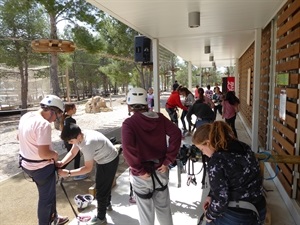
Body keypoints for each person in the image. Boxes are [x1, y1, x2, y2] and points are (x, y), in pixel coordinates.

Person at [122, 87, 182, 225]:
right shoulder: (159, 118)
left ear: (130, 106)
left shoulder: (129, 123)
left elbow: (127, 149)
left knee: (146, 214)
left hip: (142, 175)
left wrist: (139, 170)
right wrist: (168, 160)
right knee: (164, 208)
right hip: (160, 169)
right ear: (146, 103)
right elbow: (176, 133)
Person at [192, 121, 266, 225]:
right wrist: (211, 195)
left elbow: (221, 201)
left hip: (239, 215)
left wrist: (209, 215)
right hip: (259, 208)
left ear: (208, 143)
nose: (203, 153)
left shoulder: (216, 161)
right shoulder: (243, 147)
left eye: (202, 149)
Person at [18, 95, 68, 225]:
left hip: (26, 164)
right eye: (56, 115)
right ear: (52, 111)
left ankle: (54, 217)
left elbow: (18, 136)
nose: (55, 119)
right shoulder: (43, 124)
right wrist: (55, 155)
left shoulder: (27, 116)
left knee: (49, 194)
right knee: (46, 199)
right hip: (41, 168)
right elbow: (44, 153)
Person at [58, 124, 119, 225]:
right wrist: (62, 163)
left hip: (109, 160)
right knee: (103, 184)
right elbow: (73, 153)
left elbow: (87, 168)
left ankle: (101, 218)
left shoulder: (87, 144)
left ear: (77, 136)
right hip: (104, 158)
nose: (70, 143)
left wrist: (68, 173)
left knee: (100, 191)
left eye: (71, 141)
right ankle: (107, 204)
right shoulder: (80, 136)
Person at [60, 102, 88, 181]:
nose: (76, 110)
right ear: (70, 109)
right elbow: (73, 131)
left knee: (72, 156)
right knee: (75, 156)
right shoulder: (71, 120)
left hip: (67, 140)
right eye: (74, 108)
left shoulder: (65, 118)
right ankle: (76, 174)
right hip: (71, 140)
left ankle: (60, 170)